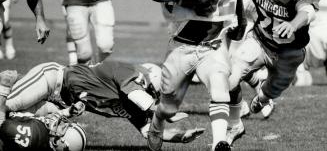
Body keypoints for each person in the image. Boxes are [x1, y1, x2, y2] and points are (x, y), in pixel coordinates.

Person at [147, 0, 248, 151]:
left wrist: (241, 22)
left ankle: (219, 142)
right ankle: (156, 125)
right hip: (181, 47)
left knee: (220, 86)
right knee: (168, 107)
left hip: (211, 47)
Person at [227, 0, 324, 146]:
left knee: (269, 93)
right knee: (230, 78)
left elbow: (307, 12)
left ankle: (262, 97)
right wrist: (238, 19)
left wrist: (293, 24)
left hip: (289, 54)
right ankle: (235, 124)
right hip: (260, 41)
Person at [3, 60, 204, 144]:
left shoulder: (136, 104)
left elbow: (149, 133)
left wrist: (179, 137)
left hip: (59, 105)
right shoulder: (129, 72)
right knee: (5, 107)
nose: (154, 96)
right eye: (153, 91)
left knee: (16, 128)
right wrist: (163, 111)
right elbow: (136, 94)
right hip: (52, 80)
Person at [0, 69, 86, 151]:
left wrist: (4, 89)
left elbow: (4, 127)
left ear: (57, 142)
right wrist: (67, 112)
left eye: (63, 127)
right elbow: (52, 113)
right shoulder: (43, 138)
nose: (62, 122)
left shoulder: (34, 135)